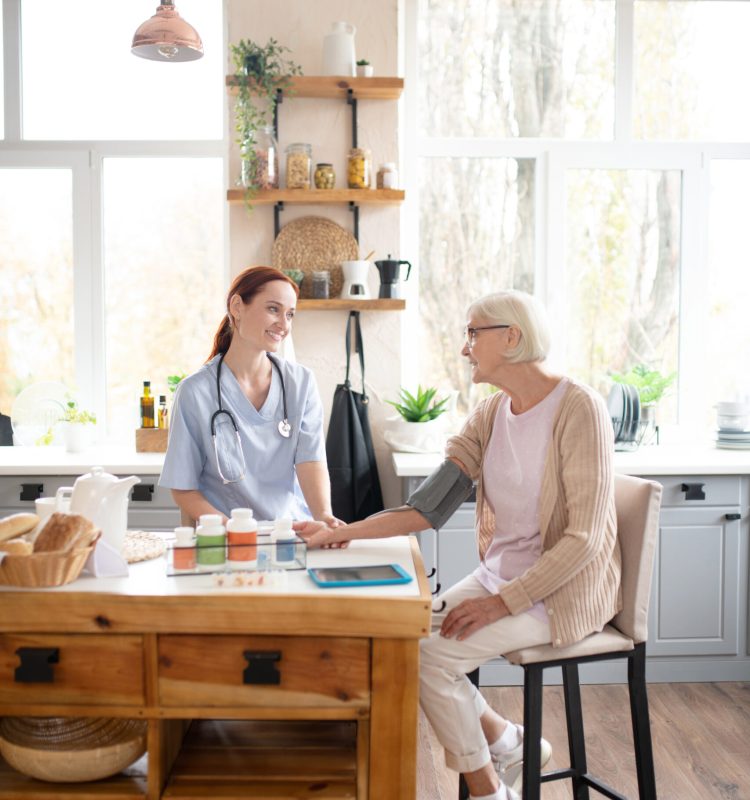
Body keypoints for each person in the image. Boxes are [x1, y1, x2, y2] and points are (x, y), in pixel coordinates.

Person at [295, 289, 621, 800]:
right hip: (500, 579)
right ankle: (508, 741)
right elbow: (426, 508)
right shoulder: (491, 414)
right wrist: (340, 532)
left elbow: (583, 540)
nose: (465, 348)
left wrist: (500, 603)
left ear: (511, 337)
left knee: (430, 657)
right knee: (400, 640)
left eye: (473, 333)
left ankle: (490, 790)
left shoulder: (580, 409)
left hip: (559, 593)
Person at [160, 266, 337, 527]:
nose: (284, 324)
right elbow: (183, 488)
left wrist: (324, 517)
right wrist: (232, 529)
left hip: (292, 532)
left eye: (290, 314)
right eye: (273, 309)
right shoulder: (195, 392)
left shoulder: (301, 383)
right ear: (237, 307)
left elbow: (310, 461)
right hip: (228, 536)